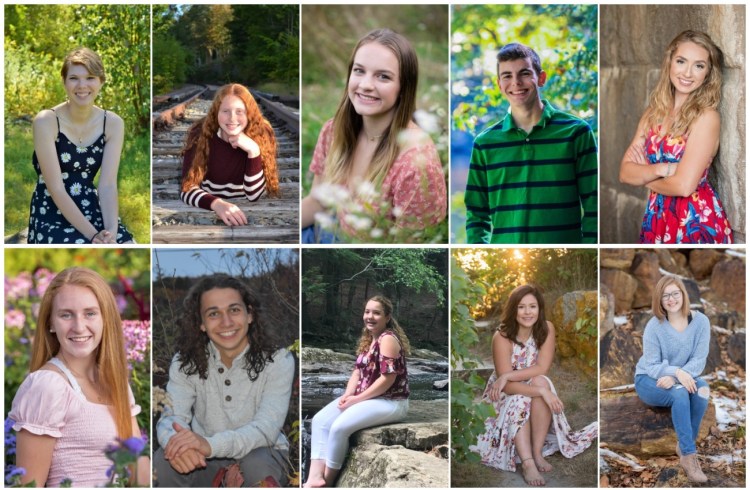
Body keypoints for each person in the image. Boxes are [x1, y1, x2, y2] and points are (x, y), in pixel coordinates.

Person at [301, 28, 447, 243]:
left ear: (403, 87)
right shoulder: (334, 130)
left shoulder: (415, 163)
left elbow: (408, 246)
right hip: (329, 231)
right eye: (359, 71)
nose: (366, 85)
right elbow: (318, 200)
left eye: (383, 76)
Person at [8, 267, 149, 487]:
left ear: (105, 318)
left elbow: (139, 473)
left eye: (90, 313)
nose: (79, 326)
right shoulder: (48, 386)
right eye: (66, 314)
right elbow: (29, 485)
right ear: (50, 323)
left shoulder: (115, 382)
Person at [154, 274, 294, 487]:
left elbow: (266, 428)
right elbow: (171, 416)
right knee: (163, 463)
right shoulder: (185, 362)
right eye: (213, 314)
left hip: (263, 454)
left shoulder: (278, 360)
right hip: (205, 459)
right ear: (201, 323)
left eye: (234, 310)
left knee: (255, 466)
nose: (226, 322)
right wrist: (177, 444)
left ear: (250, 314)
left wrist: (209, 444)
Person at [464, 43, 597, 245]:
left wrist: (589, 249)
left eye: (524, 73)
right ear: (499, 84)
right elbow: (476, 213)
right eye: (507, 76)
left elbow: (594, 203)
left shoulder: (576, 132)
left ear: (540, 78)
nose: (516, 83)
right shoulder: (485, 143)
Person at [470, 285, 597, 486]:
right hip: (502, 397)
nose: (528, 312)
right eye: (521, 307)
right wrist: (539, 391)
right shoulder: (502, 337)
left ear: (539, 309)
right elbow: (506, 387)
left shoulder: (546, 329)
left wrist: (512, 376)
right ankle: (528, 463)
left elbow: (541, 367)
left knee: (541, 381)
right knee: (526, 396)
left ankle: (536, 453)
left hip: (526, 381)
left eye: (532, 306)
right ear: (513, 310)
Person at [618, 30, 733, 244]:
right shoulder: (653, 113)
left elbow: (684, 187)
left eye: (699, 66)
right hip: (657, 217)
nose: (688, 73)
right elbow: (625, 173)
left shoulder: (706, 117)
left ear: (708, 73)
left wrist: (644, 178)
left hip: (694, 220)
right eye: (681, 61)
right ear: (670, 62)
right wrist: (662, 170)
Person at [28, 47, 134, 244]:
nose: (82, 85)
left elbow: (108, 185)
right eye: (74, 78)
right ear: (64, 82)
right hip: (51, 207)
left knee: (125, 244)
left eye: (90, 78)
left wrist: (111, 231)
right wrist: (92, 235)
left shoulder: (112, 123)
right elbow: (56, 188)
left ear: (101, 81)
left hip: (90, 204)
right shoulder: (46, 121)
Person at [304, 296, 410, 487]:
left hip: (391, 401)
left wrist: (357, 399)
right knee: (320, 421)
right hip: (366, 399)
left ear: (387, 317)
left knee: (338, 428)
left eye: (376, 313)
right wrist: (347, 395)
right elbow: (357, 372)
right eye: (367, 312)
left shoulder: (388, 339)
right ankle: (313, 477)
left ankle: (327, 482)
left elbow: (388, 379)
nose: (370, 316)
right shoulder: (369, 339)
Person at [635, 276, 711, 482]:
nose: (671, 299)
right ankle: (688, 455)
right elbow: (651, 365)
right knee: (679, 394)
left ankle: (684, 444)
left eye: (675, 293)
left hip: (681, 375)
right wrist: (676, 374)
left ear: (683, 295)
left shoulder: (701, 322)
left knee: (703, 390)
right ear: (659, 300)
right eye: (665, 295)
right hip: (648, 378)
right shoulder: (654, 326)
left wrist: (678, 375)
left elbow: (699, 360)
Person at [180, 84, 279, 227]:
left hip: (246, 207)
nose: (232, 118)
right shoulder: (199, 133)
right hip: (209, 201)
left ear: (249, 113)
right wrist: (217, 204)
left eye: (240, 111)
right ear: (216, 113)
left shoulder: (263, 133)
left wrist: (253, 151)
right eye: (225, 111)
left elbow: (254, 195)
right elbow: (187, 188)